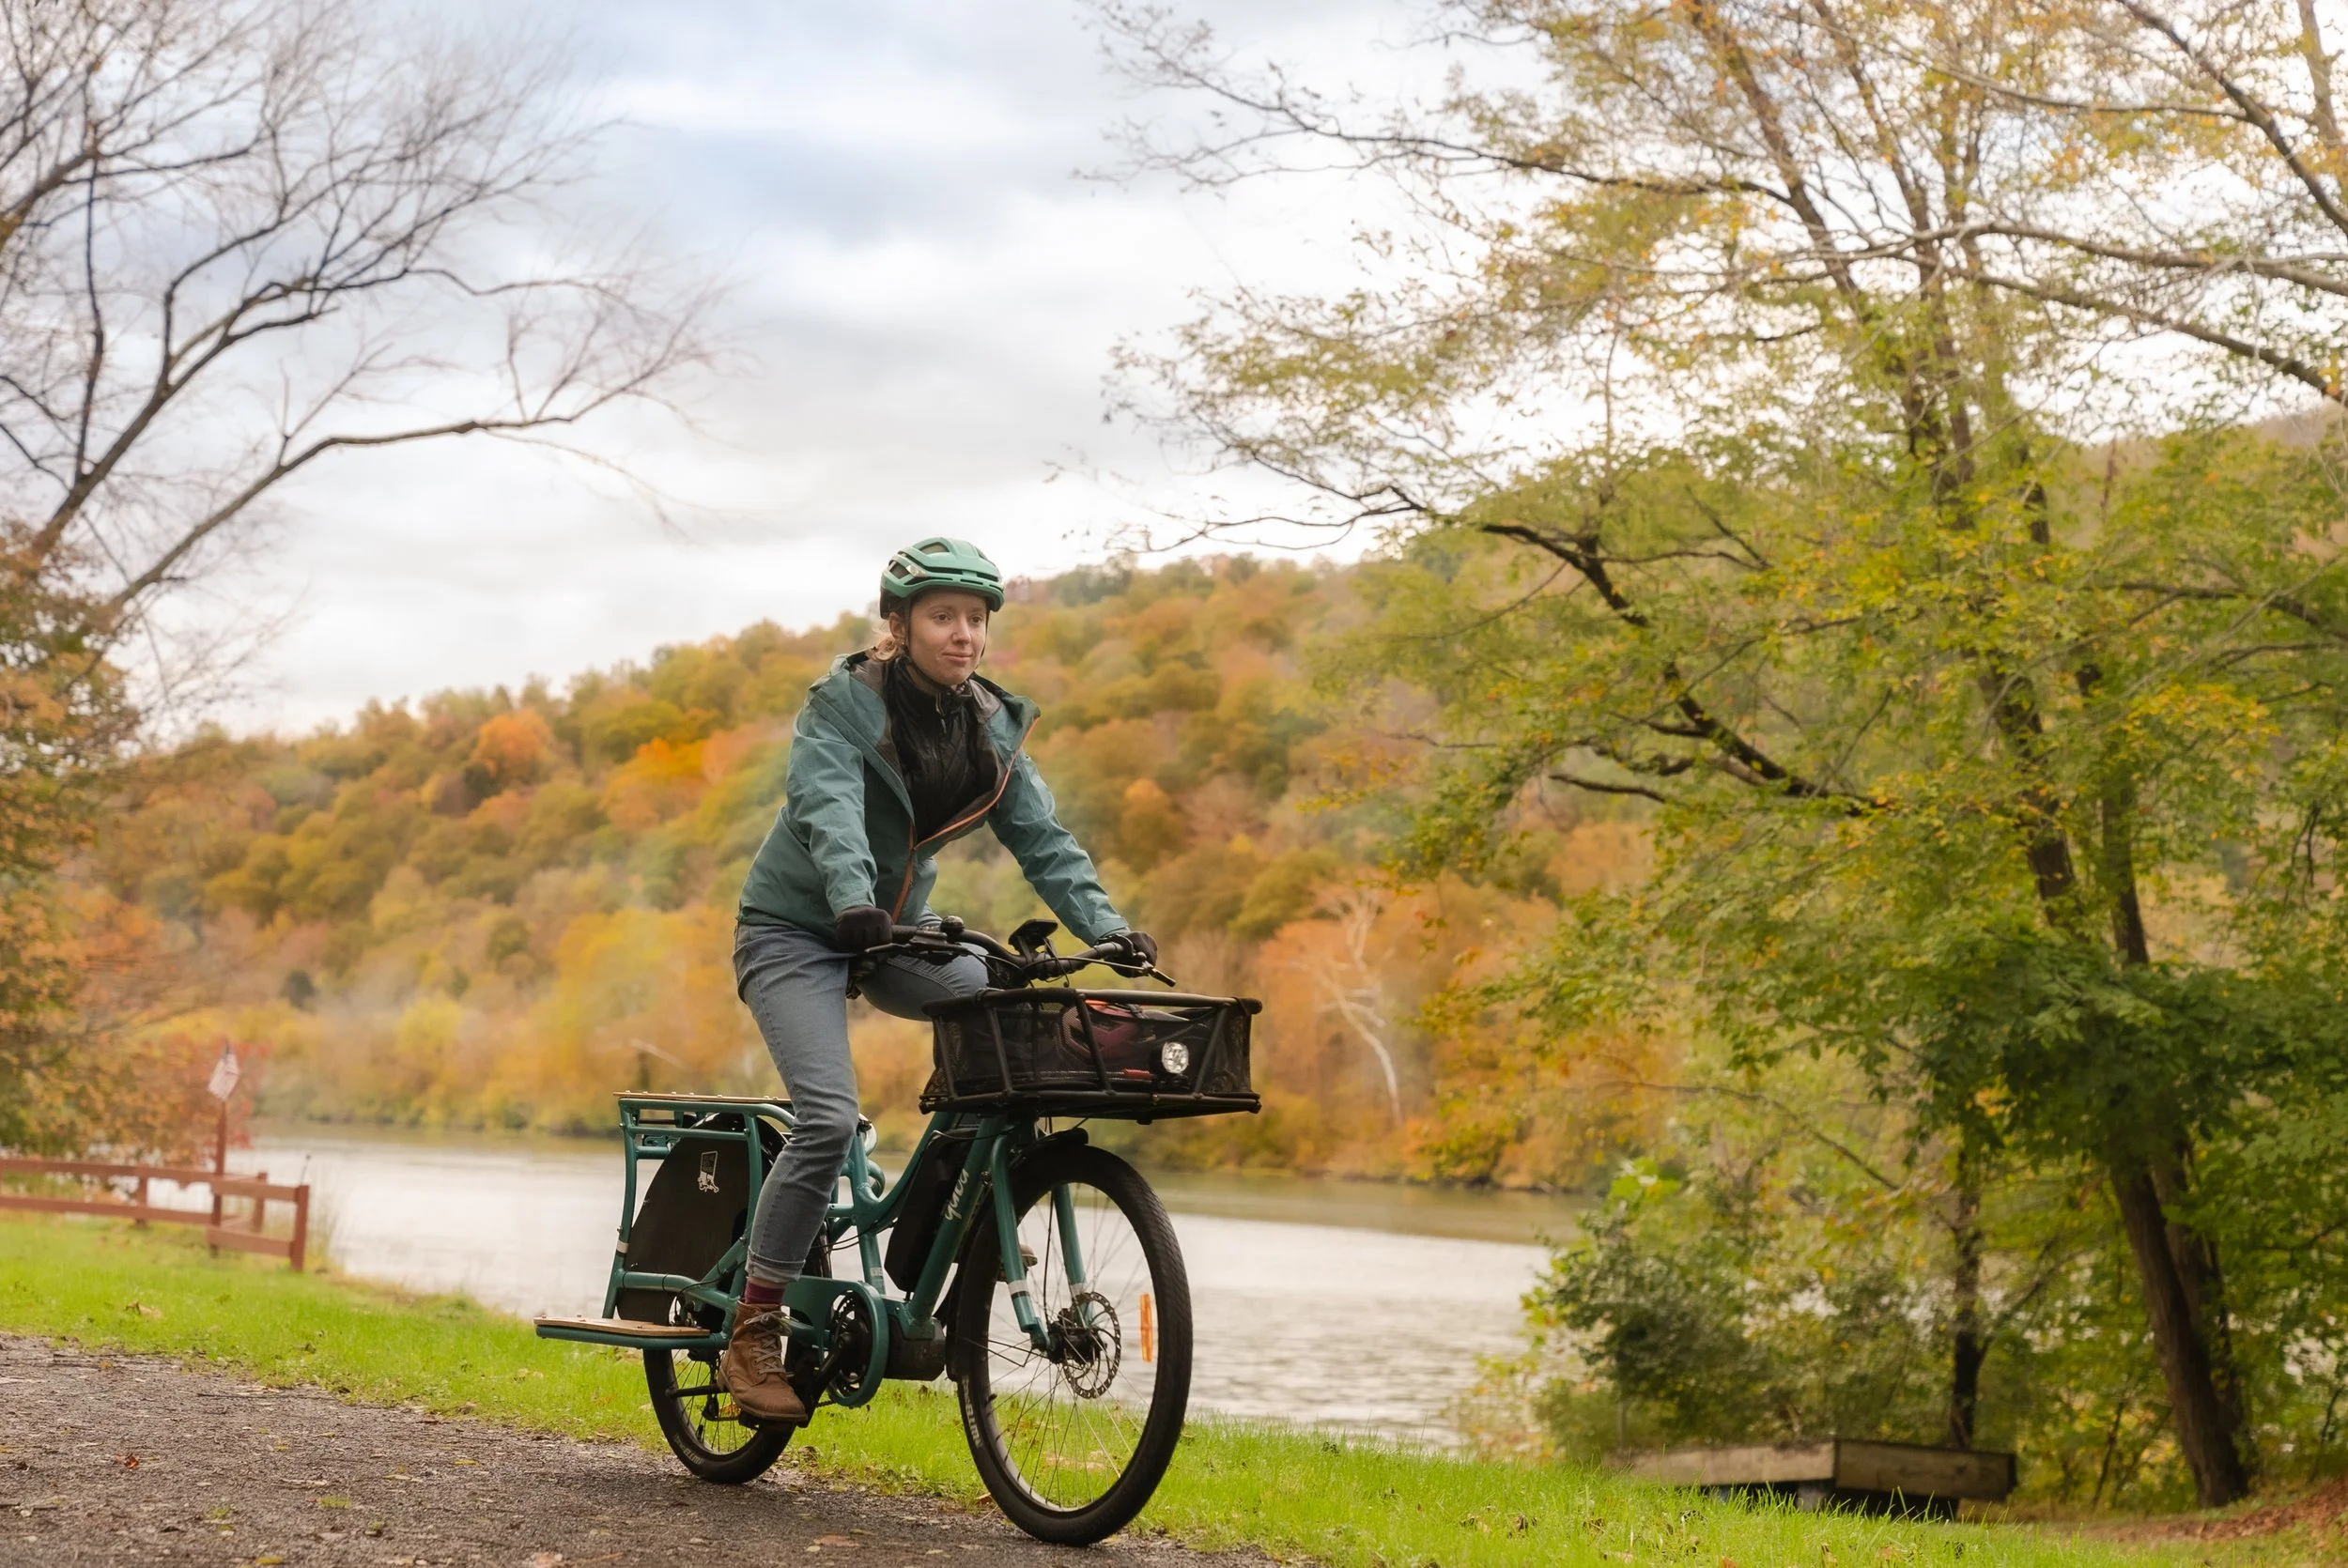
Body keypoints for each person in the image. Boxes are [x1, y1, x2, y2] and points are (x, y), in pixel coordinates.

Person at [718, 536, 1158, 1422]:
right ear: (901, 624)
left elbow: (1043, 839)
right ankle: (754, 1328)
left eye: (976, 619)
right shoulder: (845, 703)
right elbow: (828, 807)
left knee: (1006, 1021)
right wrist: (850, 898)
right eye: (944, 617)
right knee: (828, 1116)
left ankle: (937, 1237)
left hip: (895, 935)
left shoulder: (991, 726)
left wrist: (1108, 929)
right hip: (797, 931)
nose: (964, 634)